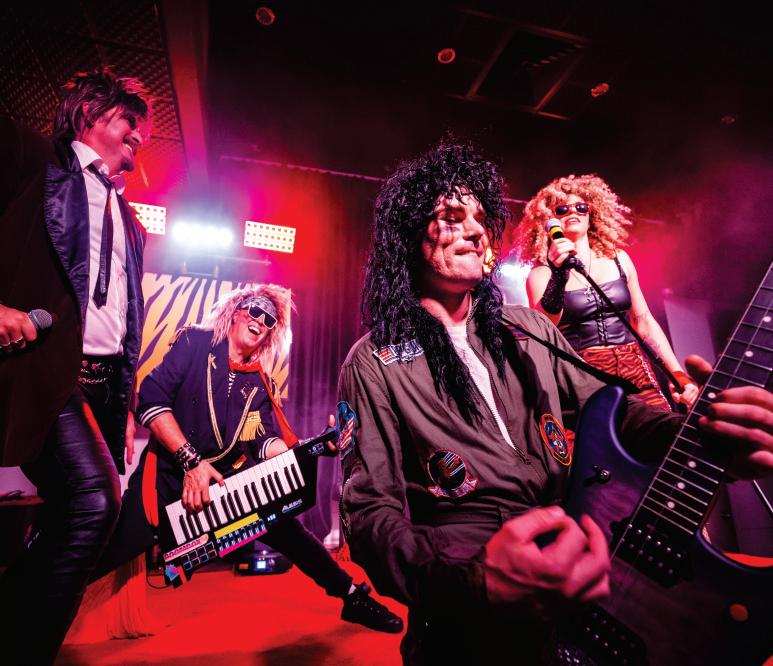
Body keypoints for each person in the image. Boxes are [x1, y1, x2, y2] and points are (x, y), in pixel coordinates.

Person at [336, 141, 773, 664]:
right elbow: (369, 514)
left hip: (578, 569)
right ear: (408, 235)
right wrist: (471, 582)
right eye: (452, 218)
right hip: (470, 600)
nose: (477, 231)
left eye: (481, 219)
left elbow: (615, 417)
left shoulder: (531, 329)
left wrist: (703, 434)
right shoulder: (374, 360)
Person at [92, 284, 403, 635]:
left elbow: (263, 442)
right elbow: (151, 400)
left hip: (223, 486)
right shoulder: (195, 343)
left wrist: (315, 446)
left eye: (269, 320)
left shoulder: (259, 381)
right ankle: (46, 603)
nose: (260, 320)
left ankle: (352, 597)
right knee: (106, 551)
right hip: (166, 480)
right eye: (255, 311)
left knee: (287, 529)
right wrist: (191, 463)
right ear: (236, 312)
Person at [0, 68, 151, 664]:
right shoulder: (35, 159)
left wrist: (126, 402)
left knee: (87, 520)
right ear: (89, 112)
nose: (139, 135)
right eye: (128, 119)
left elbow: (124, 321)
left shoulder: (131, 222)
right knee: (93, 502)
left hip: (103, 387)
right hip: (51, 371)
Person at [515, 173, 699, 410]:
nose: (573, 212)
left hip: (633, 366)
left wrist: (677, 374)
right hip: (583, 374)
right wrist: (559, 276)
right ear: (549, 220)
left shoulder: (619, 259)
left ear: (591, 214)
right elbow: (544, 327)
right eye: (562, 209)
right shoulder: (542, 273)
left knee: (659, 427)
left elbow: (643, 320)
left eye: (581, 207)